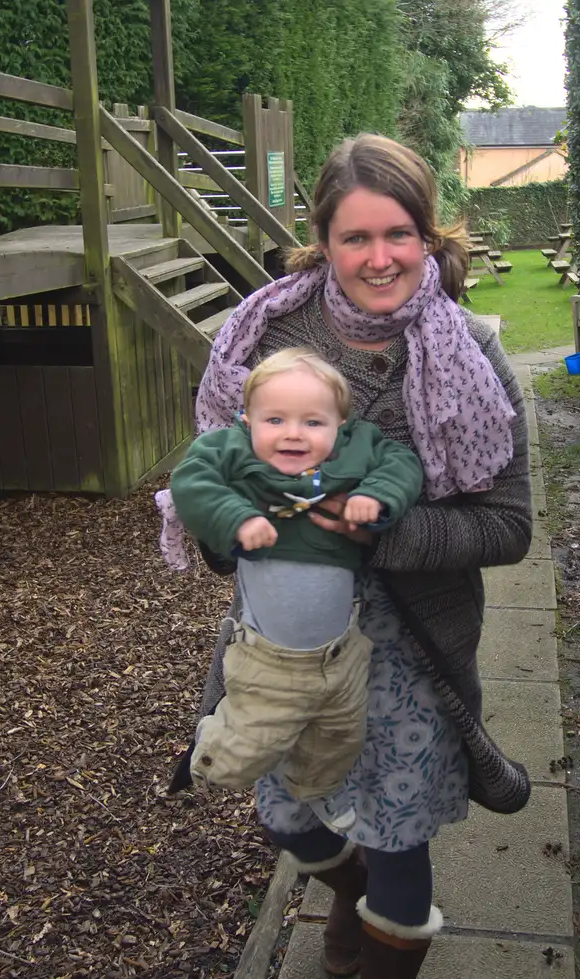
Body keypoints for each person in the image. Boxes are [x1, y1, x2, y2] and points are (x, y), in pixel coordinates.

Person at [162, 133, 532, 979]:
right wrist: (232, 532)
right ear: (322, 240)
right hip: (288, 642)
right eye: (355, 237)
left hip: (412, 645)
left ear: (429, 236)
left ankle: (384, 945)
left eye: (398, 234)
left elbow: (508, 527)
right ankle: (351, 892)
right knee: (286, 815)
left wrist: (375, 530)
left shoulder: (470, 350)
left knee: (400, 833)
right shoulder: (267, 333)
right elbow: (212, 470)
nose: (378, 257)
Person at [169, 348, 424, 833]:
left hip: (341, 652)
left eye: (313, 422)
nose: (293, 433)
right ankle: (212, 749)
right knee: (247, 752)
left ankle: (318, 789)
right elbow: (191, 480)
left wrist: (376, 496)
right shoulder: (231, 450)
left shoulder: (358, 449)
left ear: (341, 424)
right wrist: (235, 517)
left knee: (340, 737)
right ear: (247, 420)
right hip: (268, 659)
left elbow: (401, 463)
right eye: (275, 419)